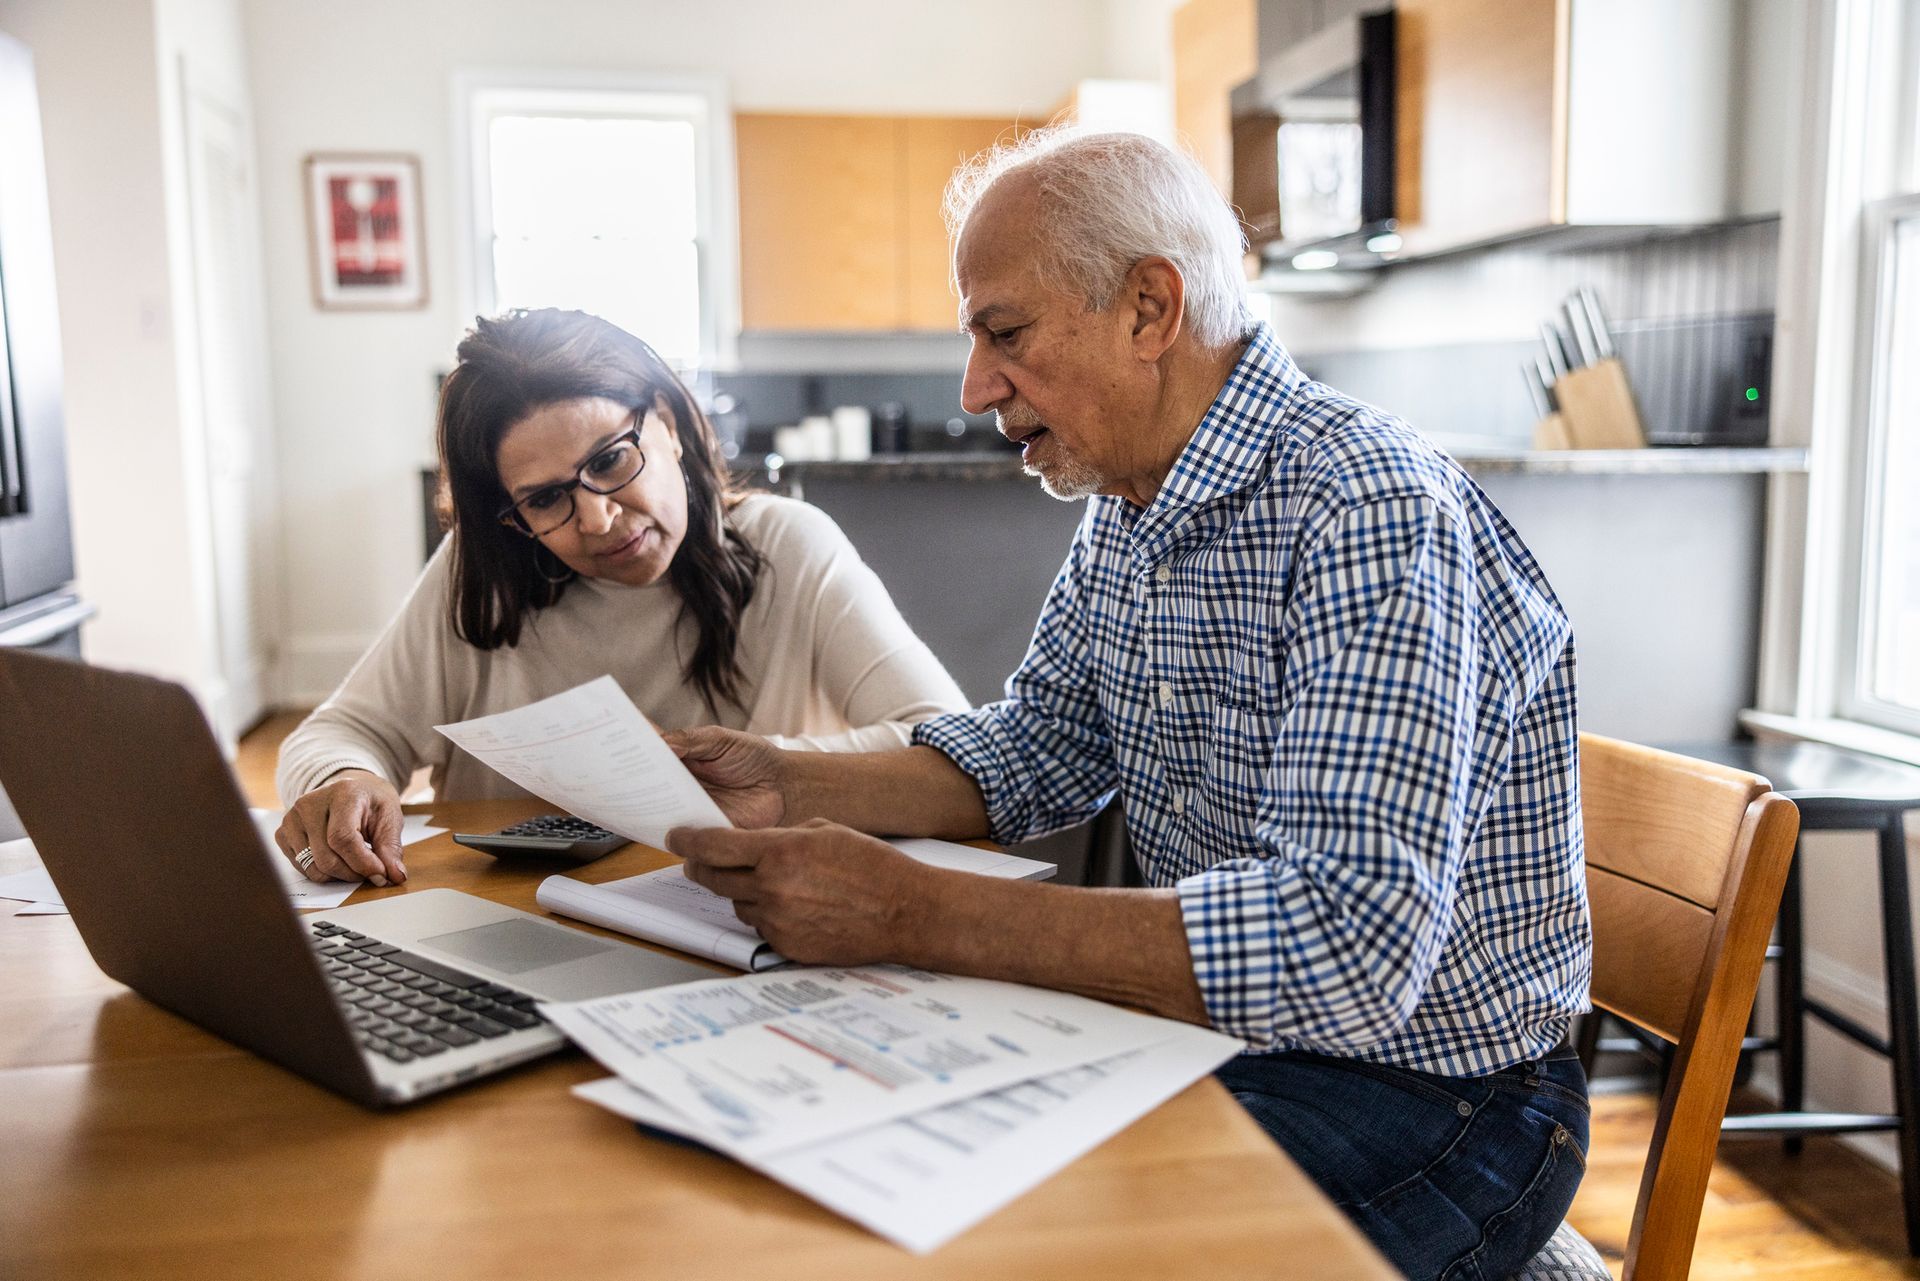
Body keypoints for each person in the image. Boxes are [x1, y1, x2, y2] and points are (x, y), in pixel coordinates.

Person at [661, 130, 1592, 1281]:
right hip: (1224, 1044)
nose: (973, 387)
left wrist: (916, 913)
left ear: (1150, 308)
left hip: (1446, 1100)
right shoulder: (1132, 505)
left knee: (1016, 1246)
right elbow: (1041, 748)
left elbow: (1347, 950)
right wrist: (790, 780)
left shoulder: (1369, 510)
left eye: (1005, 333)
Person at [273, 308, 965, 889]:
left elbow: (951, 743)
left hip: (729, 915)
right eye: (547, 499)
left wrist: (769, 766)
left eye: (609, 460)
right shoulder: (482, 574)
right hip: (512, 923)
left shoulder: (789, 546)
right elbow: (338, 734)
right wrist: (344, 778)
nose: (599, 519)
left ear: (666, 420)